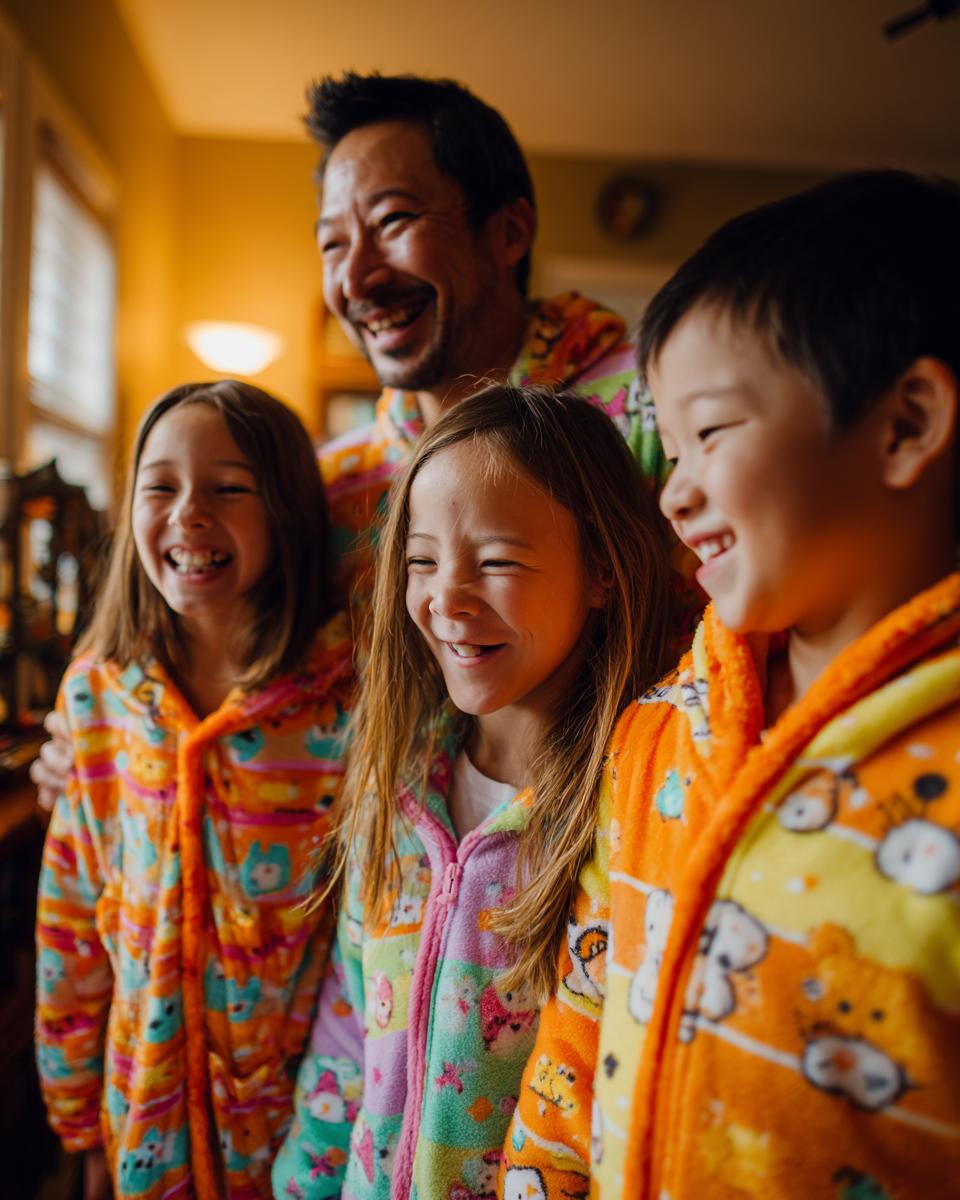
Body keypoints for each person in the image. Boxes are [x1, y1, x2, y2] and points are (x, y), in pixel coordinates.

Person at [31, 70, 673, 811]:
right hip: (384, 902)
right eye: (333, 244)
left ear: (510, 231)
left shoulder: (653, 423)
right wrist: (100, 741)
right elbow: (241, 680)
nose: (357, 277)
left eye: (394, 222)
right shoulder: (329, 489)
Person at [500, 170, 960, 1199]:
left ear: (906, 424)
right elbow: (578, 1025)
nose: (676, 488)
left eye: (711, 431)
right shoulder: (658, 733)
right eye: (669, 439)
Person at [270, 385, 678, 1199]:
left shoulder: (629, 812)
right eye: (422, 561)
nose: (445, 600)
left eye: (494, 561)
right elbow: (350, 1032)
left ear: (602, 568)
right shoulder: (397, 786)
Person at [35, 382, 355, 1200]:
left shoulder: (345, 698)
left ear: (284, 508)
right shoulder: (100, 698)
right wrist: (78, 1119)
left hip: (302, 1128)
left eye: (228, 487)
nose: (188, 514)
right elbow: (71, 918)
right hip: (141, 1112)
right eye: (161, 486)